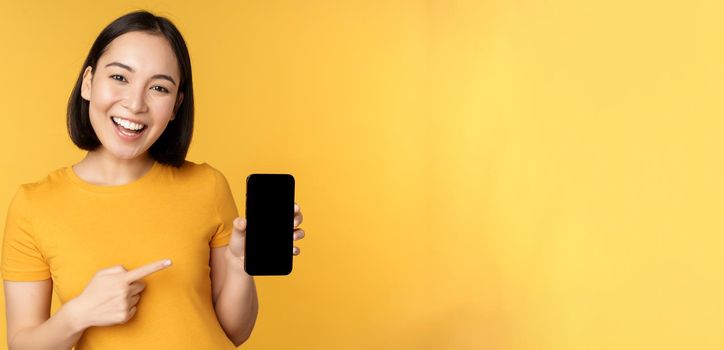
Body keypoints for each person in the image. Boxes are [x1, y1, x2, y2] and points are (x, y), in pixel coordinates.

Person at [1, 10, 305, 349]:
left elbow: (235, 332)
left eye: (159, 87)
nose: (134, 103)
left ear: (176, 106)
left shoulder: (208, 185)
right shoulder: (34, 205)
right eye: (119, 77)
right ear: (88, 82)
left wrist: (239, 265)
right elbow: (22, 344)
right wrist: (79, 314)